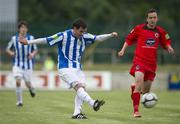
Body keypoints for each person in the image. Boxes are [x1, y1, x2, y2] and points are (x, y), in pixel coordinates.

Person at [19, 18, 118, 119]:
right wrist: (28, 42)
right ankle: (93, 103)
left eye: (84, 31)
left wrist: (110, 35)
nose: (82, 34)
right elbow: (46, 40)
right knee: (78, 86)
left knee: (82, 89)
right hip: (65, 68)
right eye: (81, 31)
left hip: (78, 68)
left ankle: (77, 113)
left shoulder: (84, 36)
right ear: (74, 28)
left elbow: (97, 38)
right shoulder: (63, 35)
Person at [118, 8, 174, 118]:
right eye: (150, 18)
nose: (152, 20)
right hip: (139, 61)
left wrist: (169, 47)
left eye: (154, 18)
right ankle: (136, 111)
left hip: (151, 64)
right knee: (139, 82)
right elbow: (129, 39)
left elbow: (166, 41)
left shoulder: (161, 32)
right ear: (147, 19)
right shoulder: (139, 28)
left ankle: (135, 88)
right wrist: (122, 50)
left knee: (145, 91)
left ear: (157, 19)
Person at [6, 20, 38, 107]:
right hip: (17, 64)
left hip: (28, 65)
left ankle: (31, 89)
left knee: (28, 83)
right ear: (19, 29)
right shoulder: (14, 39)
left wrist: (32, 54)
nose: (23, 29)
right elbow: (8, 49)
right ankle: (19, 102)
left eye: (25, 27)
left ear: (27, 29)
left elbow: (35, 49)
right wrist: (11, 53)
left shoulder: (31, 38)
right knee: (18, 81)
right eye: (22, 27)